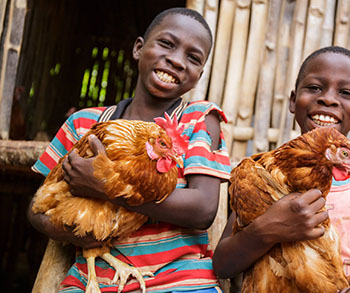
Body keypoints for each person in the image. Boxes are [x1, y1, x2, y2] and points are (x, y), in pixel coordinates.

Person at [28, 7, 231, 292]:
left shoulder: (198, 120)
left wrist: (106, 186)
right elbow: (39, 208)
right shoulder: (83, 124)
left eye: (193, 58)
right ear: (139, 48)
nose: (176, 60)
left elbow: (203, 209)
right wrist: (75, 232)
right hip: (94, 278)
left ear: (199, 75)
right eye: (167, 44)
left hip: (180, 280)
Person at [212, 46, 350, 292]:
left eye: (345, 92)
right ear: (293, 101)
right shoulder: (265, 172)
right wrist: (268, 229)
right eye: (315, 88)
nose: (328, 98)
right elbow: (223, 264)